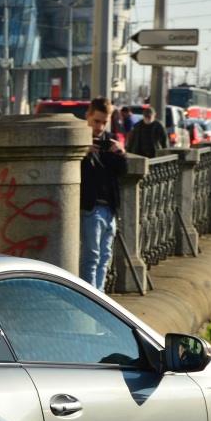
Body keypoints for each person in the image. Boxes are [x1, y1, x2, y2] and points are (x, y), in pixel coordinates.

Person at [79, 97, 127, 290]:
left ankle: (100, 299)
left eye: (104, 122)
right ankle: (90, 301)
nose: (100, 127)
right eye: (97, 121)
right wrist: (83, 153)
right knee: (91, 257)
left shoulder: (110, 140)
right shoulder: (78, 139)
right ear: (88, 116)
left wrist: (121, 154)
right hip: (90, 207)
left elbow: (121, 173)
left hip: (110, 208)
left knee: (105, 258)